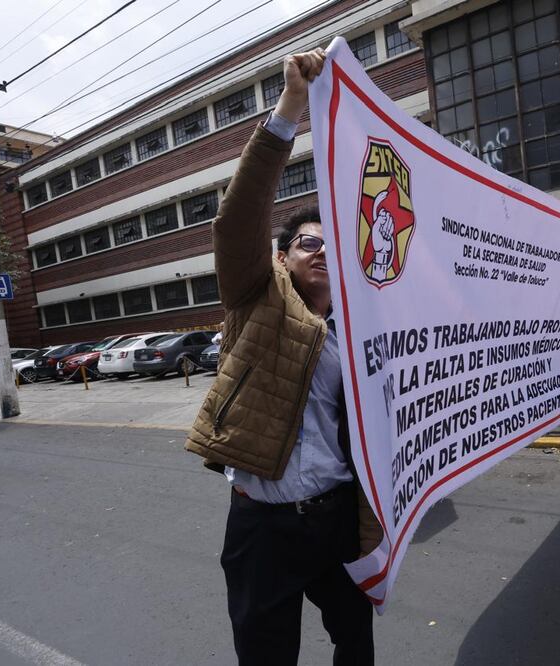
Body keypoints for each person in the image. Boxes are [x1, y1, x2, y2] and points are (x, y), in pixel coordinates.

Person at [184, 49, 381, 666]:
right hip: (264, 527)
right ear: (283, 256)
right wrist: (291, 108)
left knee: (356, 641)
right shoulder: (256, 295)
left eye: (331, 244)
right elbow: (236, 221)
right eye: (307, 242)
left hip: (337, 518)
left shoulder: (363, 327)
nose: (321, 251)